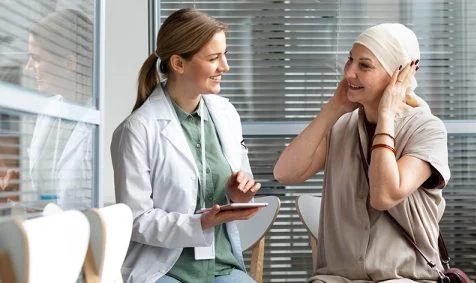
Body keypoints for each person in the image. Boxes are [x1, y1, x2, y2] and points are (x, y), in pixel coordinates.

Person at [274, 23, 450, 282]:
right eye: (350, 60)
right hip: (337, 277)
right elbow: (285, 173)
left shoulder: (427, 129)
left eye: (364, 66)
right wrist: (333, 108)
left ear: (397, 74)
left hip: (404, 277)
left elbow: (383, 195)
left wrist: (386, 115)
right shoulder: (342, 125)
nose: (349, 73)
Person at [111, 8, 262, 283]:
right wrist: (200, 223)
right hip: (166, 268)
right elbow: (136, 219)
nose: (225, 66)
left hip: (221, 265)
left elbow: (241, 184)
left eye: (224, 55)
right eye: (214, 58)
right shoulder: (137, 130)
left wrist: (240, 194)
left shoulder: (226, 114)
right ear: (178, 64)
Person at [24, 9, 94, 209]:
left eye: (36, 59)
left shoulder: (101, 120)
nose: (29, 66)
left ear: (69, 63)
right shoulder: (49, 111)